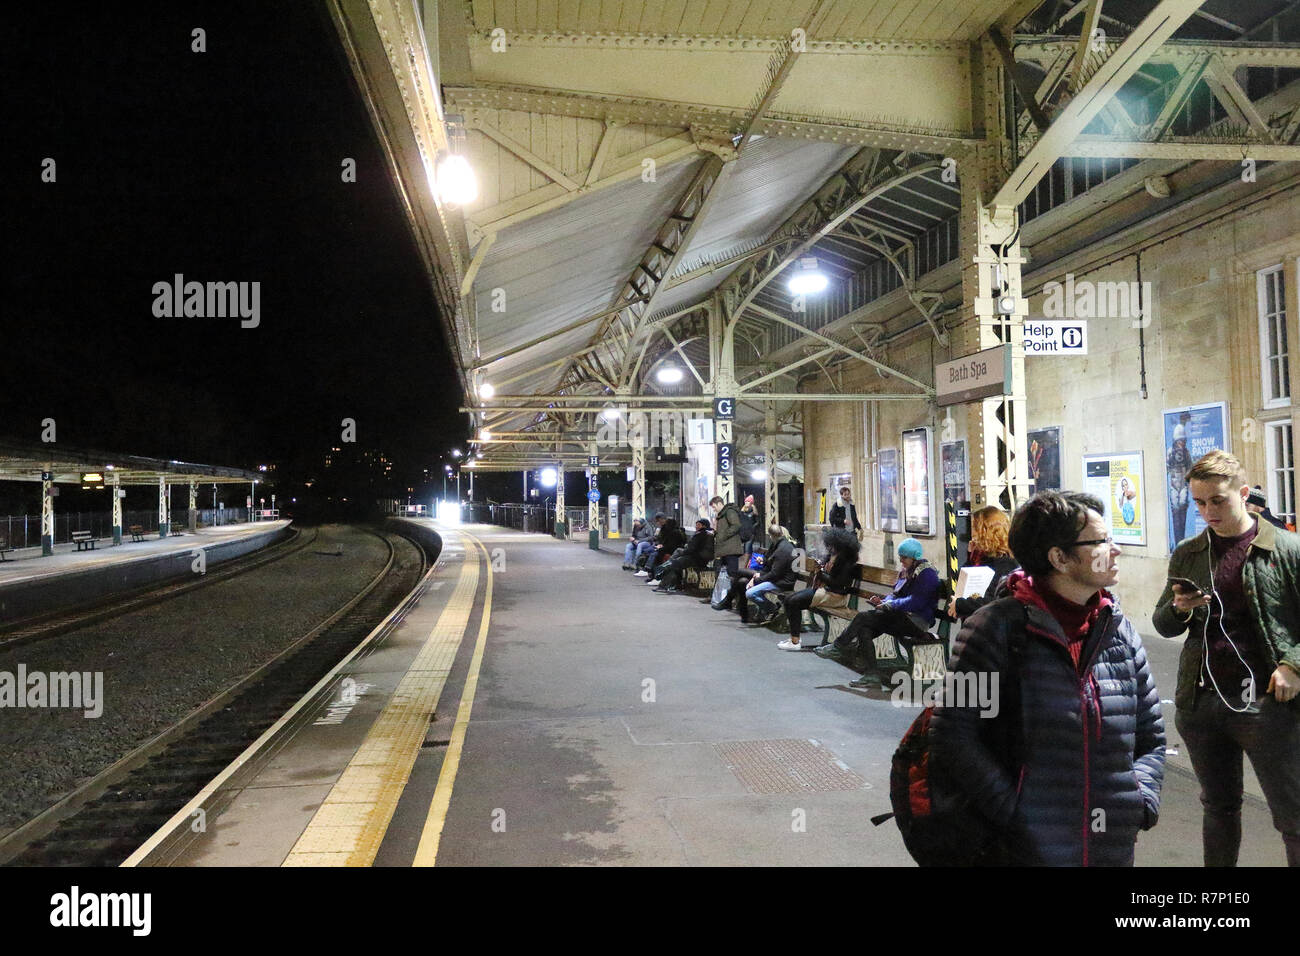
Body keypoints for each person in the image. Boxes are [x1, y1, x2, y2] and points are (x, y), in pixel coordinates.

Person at [930, 490, 1165, 866]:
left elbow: (1150, 736)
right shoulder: (994, 629)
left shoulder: (1117, 630)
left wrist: (1140, 801)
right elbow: (952, 734)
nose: (1115, 550)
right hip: (1024, 851)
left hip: (1110, 846)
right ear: (1058, 557)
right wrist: (1014, 812)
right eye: (1102, 541)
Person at [1152, 450, 1300, 867]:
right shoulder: (1189, 551)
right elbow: (1163, 624)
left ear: (1244, 492)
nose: (1207, 511)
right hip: (1202, 703)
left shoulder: (1285, 547)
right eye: (1199, 502)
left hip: (1267, 703)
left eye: (1217, 500)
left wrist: (1293, 665)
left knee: (1292, 815)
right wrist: (1180, 607)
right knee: (1219, 808)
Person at [814, 538, 941, 687]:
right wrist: (882, 601)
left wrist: (890, 604)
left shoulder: (927, 574)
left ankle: (840, 646)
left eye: (904, 557)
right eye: (900, 556)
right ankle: (871, 674)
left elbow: (916, 602)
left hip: (917, 622)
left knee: (863, 618)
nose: (901, 560)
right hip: (902, 617)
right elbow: (896, 595)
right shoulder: (907, 570)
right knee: (864, 627)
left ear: (914, 556)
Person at [778, 527, 859, 651]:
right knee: (789, 599)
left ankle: (795, 641)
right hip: (825, 592)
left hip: (835, 596)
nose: (829, 547)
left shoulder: (846, 562)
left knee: (794, 602)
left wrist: (821, 573)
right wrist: (821, 569)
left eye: (832, 545)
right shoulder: (832, 556)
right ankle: (794, 638)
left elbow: (837, 583)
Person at [947, 506, 1018, 623]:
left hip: (990, 628)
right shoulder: (982, 557)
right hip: (975, 623)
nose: (973, 534)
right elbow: (965, 580)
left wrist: (960, 605)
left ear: (985, 532)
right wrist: (970, 556)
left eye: (975, 528)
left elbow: (993, 600)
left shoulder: (1006, 563)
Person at [735, 524, 797, 624]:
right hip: (776, 579)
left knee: (749, 592)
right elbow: (769, 564)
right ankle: (742, 610)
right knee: (742, 581)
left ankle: (772, 609)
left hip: (781, 583)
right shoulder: (777, 545)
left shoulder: (782, 550)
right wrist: (758, 574)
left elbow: (775, 574)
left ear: (771, 536)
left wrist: (756, 579)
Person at [653, 519, 715, 593]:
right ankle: (665, 573)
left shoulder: (701, 534)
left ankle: (663, 574)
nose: (696, 526)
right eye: (696, 524)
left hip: (696, 559)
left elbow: (691, 549)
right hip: (699, 558)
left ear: (704, 526)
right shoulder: (707, 534)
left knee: (675, 563)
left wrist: (684, 551)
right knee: (677, 559)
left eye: (698, 525)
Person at [1167, 421, 1194, 545]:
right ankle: (1178, 539)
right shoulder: (1170, 452)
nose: (1181, 444)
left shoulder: (1186, 453)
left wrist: (1188, 482)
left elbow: (1190, 467)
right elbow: (1167, 467)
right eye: (1179, 441)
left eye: (1183, 441)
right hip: (1174, 483)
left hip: (1183, 483)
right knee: (1175, 507)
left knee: (1182, 504)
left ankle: (1181, 539)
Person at [710, 495, 745, 582]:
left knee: (731, 573)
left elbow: (736, 525)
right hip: (724, 549)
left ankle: (731, 593)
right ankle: (721, 593)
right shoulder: (722, 514)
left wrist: (722, 535)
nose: (713, 509)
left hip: (731, 549)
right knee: (718, 569)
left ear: (719, 504)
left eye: (714, 507)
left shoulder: (729, 512)